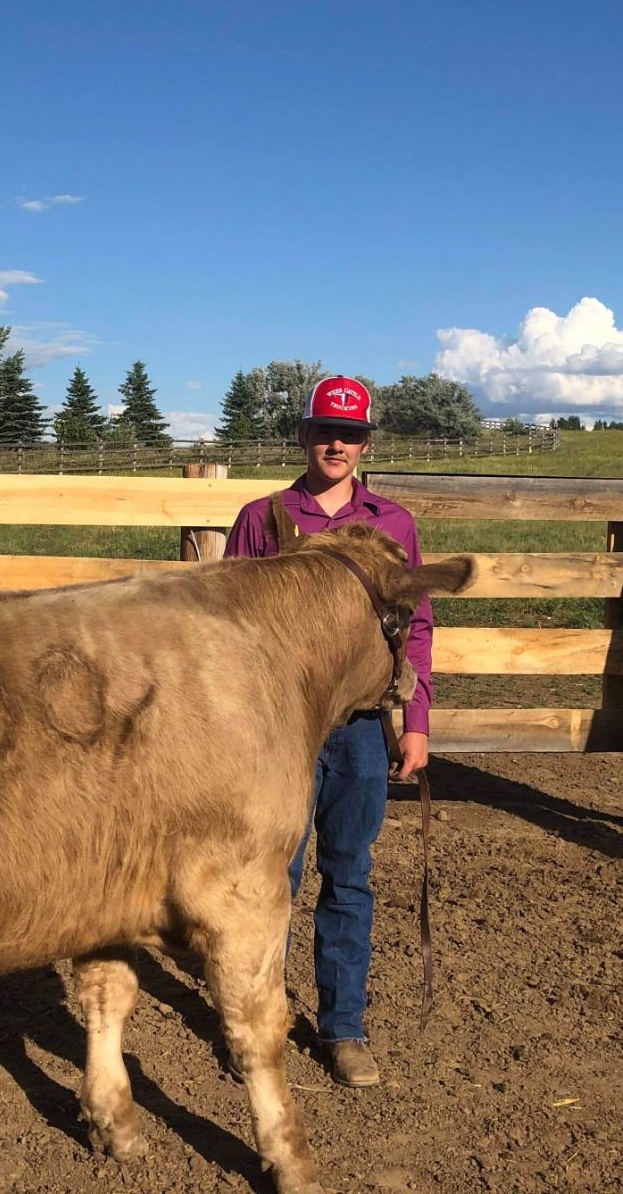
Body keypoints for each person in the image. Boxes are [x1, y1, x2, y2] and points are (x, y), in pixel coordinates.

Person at [222, 374, 435, 1088]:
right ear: (304, 437)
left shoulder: (394, 524)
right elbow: (227, 625)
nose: (335, 445)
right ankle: (262, 1022)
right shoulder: (264, 519)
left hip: (360, 727)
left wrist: (416, 722)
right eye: (324, 432)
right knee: (269, 876)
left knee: (349, 871)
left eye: (349, 435)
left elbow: (416, 628)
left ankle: (344, 1028)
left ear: (365, 444)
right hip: (279, 731)